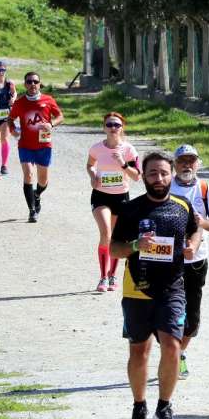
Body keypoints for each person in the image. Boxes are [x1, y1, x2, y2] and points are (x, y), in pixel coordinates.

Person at [110, 152, 201, 419]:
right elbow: (114, 248)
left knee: (172, 346)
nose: (158, 179)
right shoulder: (131, 209)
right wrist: (137, 246)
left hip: (173, 288)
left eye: (163, 173)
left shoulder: (182, 206)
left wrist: (192, 246)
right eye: (152, 173)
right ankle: (139, 406)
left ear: (171, 173)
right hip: (138, 288)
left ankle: (165, 405)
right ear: (144, 176)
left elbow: (195, 232)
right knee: (139, 351)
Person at [169, 144, 209, 379]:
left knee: (191, 319)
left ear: (198, 164)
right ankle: (172, 353)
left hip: (196, 261)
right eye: (182, 160)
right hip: (168, 259)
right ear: (174, 164)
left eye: (191, 161)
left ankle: (178, 352)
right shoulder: (165, 186)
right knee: (168, 310)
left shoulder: (205, 190)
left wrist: (202, 224)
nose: (187, 165)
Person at [87, 112, 141, 292]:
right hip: (101, 196)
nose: (113, 128)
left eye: (117, 125)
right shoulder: (96, 148)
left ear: (122, 128)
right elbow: (90, 165)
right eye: (109, 125)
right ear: (104, 127)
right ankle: (102, 277)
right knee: (106, 234)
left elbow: (137, 177)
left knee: (117, 238)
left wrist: (123, 164)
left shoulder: (128, 150)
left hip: (121, 198)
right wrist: (93, 175)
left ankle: (112, 275)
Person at [8, 72, 63, 223]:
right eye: (29, 82)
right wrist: (13, 130)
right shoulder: (19, 103)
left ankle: (37, 194)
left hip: (44, 145)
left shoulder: (48, 100)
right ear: (25, 84)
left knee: (43, 180)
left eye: (36, 81)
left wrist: (51, 124)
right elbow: (10, 119)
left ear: (39, 84)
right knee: (28, 175)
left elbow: (60, 116)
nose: (33, 84)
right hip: (25, 145)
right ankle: (32, 211)